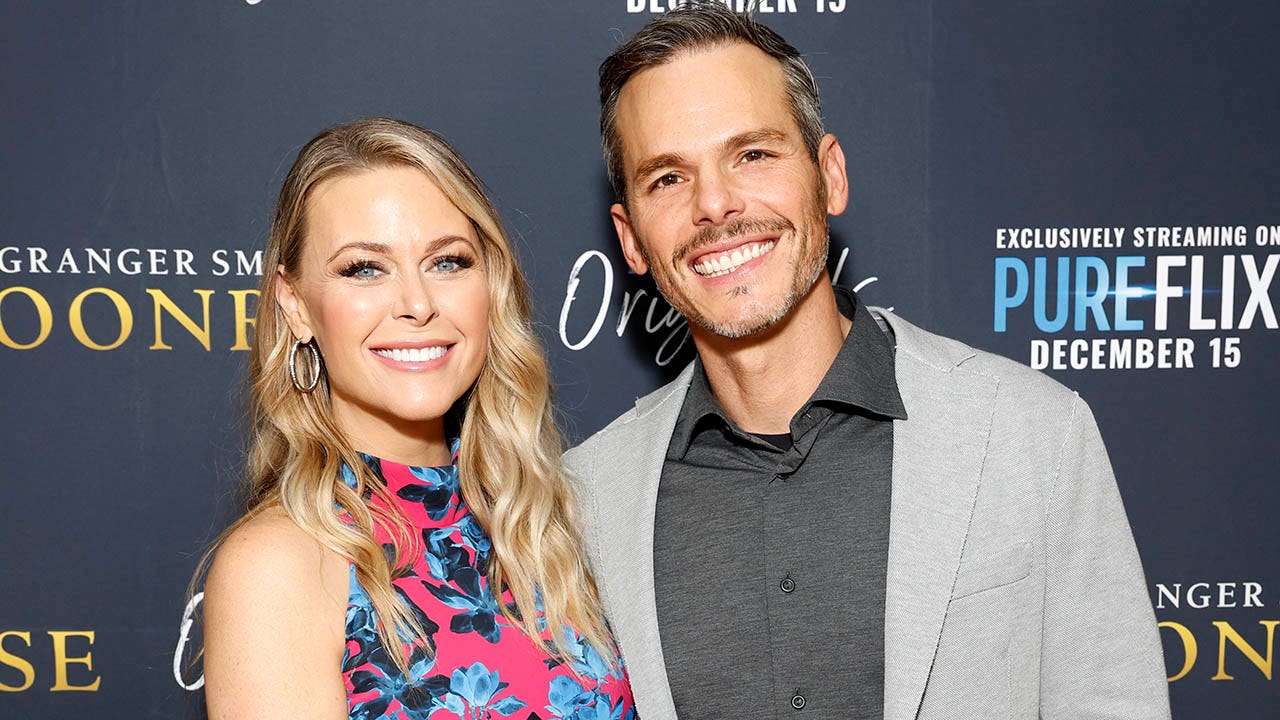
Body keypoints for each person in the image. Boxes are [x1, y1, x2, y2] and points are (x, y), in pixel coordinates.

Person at [565, 5, 1171, 719]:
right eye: (668, 178)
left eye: (753, 154)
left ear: (830, 175)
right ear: (631, 239)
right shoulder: (585, 502)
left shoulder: (1032, 434)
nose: (716, 205)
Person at [199, 118, 635, 720]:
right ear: (295, 305)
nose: (418, 304)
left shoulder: (542, 521)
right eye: (364, 268)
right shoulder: (277, 566)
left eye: (447, 262)